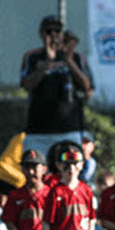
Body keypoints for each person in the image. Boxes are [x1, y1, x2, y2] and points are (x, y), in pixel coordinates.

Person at [20, 16, 92, 160]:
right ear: (41, 33)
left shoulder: (76, 57)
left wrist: (69, 61)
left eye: (57, 31)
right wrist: (47, 63)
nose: (53, 35)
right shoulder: (32, 57)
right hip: (38, 131)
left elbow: (86, 86)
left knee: (67, 174)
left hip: (69, 129)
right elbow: (27, 86)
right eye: (49, 31)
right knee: (36, 174)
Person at [39, 141, 110, 230]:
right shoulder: (55, 191)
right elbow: (46, 223)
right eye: (67, 165)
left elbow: (91, 220)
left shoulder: (86, 190)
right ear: (59, 166)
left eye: (75, 164)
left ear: (82, 164)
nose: (71, 168)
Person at [2, 149, 50, 230]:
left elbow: (58, 223)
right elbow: (9, 223)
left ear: (44, 169)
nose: (30, 171)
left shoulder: (51, 194)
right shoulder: (15, 195)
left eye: (34, 167)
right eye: (26, 167)